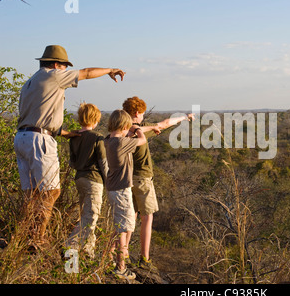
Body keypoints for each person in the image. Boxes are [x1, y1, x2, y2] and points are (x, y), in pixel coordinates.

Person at [14, 45, 126, 250]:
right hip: (39, 141)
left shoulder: (30, 83)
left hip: (22, 137)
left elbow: (37, 117)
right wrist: (110, 70)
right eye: (65, 66)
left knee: (32, 194)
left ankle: (21, 238)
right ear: (57, 65)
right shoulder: (54, 76)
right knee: (51, 192)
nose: (66, 71)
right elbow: (86, 73)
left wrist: (65, 133)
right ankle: (37, 239)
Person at [122, 96, 194, 272]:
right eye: (142, 114)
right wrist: (185, 117)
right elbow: (165, 123)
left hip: (127, 179)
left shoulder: (121, 130)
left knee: (130, 216)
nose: (142, 117)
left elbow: (162, 124)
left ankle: (122, 254)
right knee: (147, 217)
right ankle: (144, 258)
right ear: (137, 113)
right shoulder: (138, 130)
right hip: (143, 178)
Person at [104, 109, 160, 280]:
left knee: (120, 225)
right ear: (124, 125)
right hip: (121, 190)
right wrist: (137, 129)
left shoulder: (108, 140)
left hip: (113, 188)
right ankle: (120, 267)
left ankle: (108, 257)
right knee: (124, 228)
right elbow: (142, 140)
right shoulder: (121, 142)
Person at [66, 103, 108, 259]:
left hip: (79, 178)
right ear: (95, 119)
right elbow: (103, 163)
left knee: (86, 215)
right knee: (90, 217)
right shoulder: (97, 138)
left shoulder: (74, 138)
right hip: (94, 180)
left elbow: (72, 162)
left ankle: (88, 252)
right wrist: (109, 182)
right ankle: (71, 248)